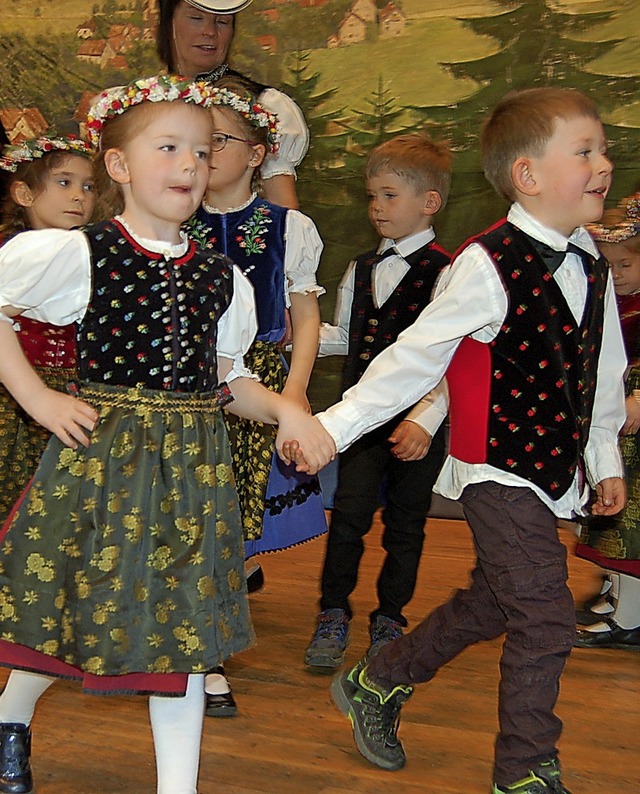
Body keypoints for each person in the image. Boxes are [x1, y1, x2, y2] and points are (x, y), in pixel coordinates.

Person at [278, 86, 627, 793]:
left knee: (499, 602)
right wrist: (330, 429)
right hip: (496, 469)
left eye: (604, 149)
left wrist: (603, 455)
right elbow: (413, 358)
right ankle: (524, 771)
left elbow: (602, 368)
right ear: (528, 176)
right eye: (585, 151)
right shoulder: (485, 262)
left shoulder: (590, 262)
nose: (605, 164)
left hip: (555, 470)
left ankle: (379, 679)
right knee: (547, 618)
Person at [0, 74, 331, 794]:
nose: (190, 165)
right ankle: (11, 719)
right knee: (61, 615)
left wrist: (286, 411)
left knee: (182, 642)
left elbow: (226, 381)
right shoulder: (79, 253)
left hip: (190, 478)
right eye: (170, 147)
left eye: (204, 151)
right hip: (102, 466)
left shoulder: (223, 278)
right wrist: (36, 398)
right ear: (118, 166)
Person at [187, 81, 327, 716]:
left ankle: (212, 642)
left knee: (238, 520)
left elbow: (304, 314)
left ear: (255, 154)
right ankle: (201, 654)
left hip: (256, 385)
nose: (205, 153)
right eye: (197, 142)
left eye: (219, 140)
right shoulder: (173, 222)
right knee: (195, 514)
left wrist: (291, 393)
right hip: (184, 388)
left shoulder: (286, 227)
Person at [303, 132, 450, 672]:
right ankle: (333, 610)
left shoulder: (450, 272)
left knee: (406, 526)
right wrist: (298, 334)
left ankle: (390, 617)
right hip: (361, 422)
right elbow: (348, 333)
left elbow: (450, 356)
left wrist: (425, 421)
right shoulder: (362, 267)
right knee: (347, 517)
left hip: (415, 426)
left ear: (428, 202)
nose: (376, 207)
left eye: (389, 195)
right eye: (372, 196)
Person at [0, 133, 96, 526]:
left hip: (74, 389)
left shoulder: (91, 249)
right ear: (24, 192)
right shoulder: (14, 252)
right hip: (15, 395)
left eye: (88, 186)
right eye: (64, 182)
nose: (79, 196)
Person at [156, 0, 308, 210]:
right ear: (169, 23)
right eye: (196, 18)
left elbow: (283, 220)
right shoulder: (142, 104)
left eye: (222, 22)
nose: (209, 31)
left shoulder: (264, 106)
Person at [572, 193, 640, 650]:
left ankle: (630, 616)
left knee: (629, 525)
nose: (615, 275)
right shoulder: (616, 306)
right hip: (611, 424)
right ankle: (617, 596)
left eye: (625, 265)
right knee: (607, 519)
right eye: (609, 265)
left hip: (633, 427)